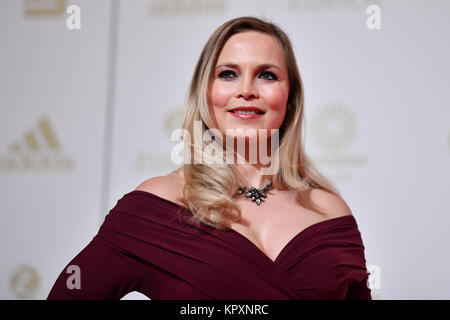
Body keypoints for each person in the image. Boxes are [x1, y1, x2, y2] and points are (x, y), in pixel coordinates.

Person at [47, 16, 371, 300]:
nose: (246, 89)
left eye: (267, 75)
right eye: (228, 74)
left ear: (291, 97)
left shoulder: (329, 212)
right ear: (206, 91)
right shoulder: (158, 205)